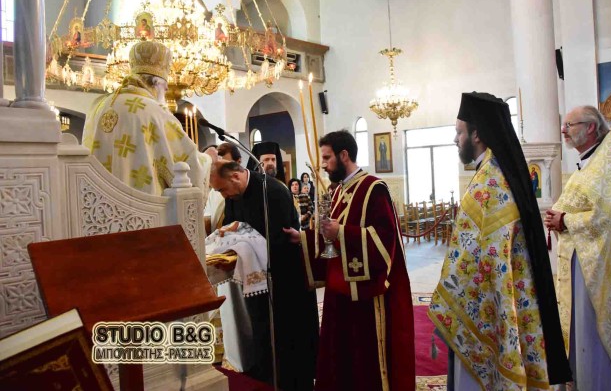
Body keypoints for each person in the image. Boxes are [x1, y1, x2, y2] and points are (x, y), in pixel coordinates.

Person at [429, 92, 572, 390]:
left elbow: (480, 251)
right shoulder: (495, 170)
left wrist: (450, 292)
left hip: (488, 297)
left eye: (459, 132)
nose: (456, 139)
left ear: (476, 134)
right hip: (503, 288)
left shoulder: (491, 181)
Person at [283, 130, 416, 391]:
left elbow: (386, 240)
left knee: (362, 361)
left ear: (344, 155)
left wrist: (342, 232)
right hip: (338, 293)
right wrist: (303, 238)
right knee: (340, 360)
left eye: (327, 158)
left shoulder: (373, 188)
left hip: (364, 296)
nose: (323, 164)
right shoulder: (337, 191)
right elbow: (330, 237)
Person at [210, 161, 319, 391]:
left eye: (222, 189)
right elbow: (232, 226)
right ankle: (267, 379)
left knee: (288, 336)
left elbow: (279, 238)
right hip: (256, 279)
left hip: (286, 278)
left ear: (236, 177)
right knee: (262, 331)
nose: (223, 195)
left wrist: (244, 245)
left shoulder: (273, 191)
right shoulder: (233, 195)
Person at [544, 105, 611, 391]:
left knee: (590, 329)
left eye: (570, 125)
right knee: (578, 328)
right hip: (579, 259)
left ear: (590, 128)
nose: (563, 130)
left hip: (595, 265)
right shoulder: (590, 162)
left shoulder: (607, 162)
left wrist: (566, 220)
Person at [83, 40, 213, 197]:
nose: (167, 90)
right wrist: (208, 160)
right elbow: (185, 164)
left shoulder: (98, 105)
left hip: (97, 203)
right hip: (143, 207)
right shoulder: (154, 111)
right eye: (165, 86)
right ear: (156, 83)